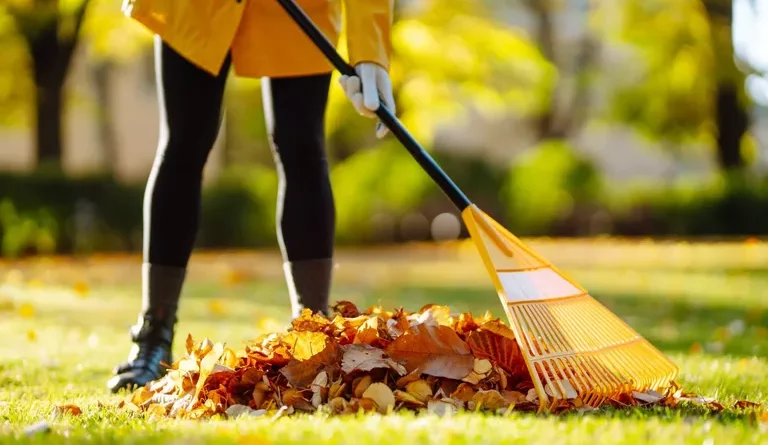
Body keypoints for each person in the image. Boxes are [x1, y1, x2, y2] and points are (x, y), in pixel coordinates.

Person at [107, 0, 396, 393]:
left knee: (303, 149)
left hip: (302, 9)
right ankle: (153, 336)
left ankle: (312, 335)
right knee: (185, 144)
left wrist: (369, 51)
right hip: (196, 8)